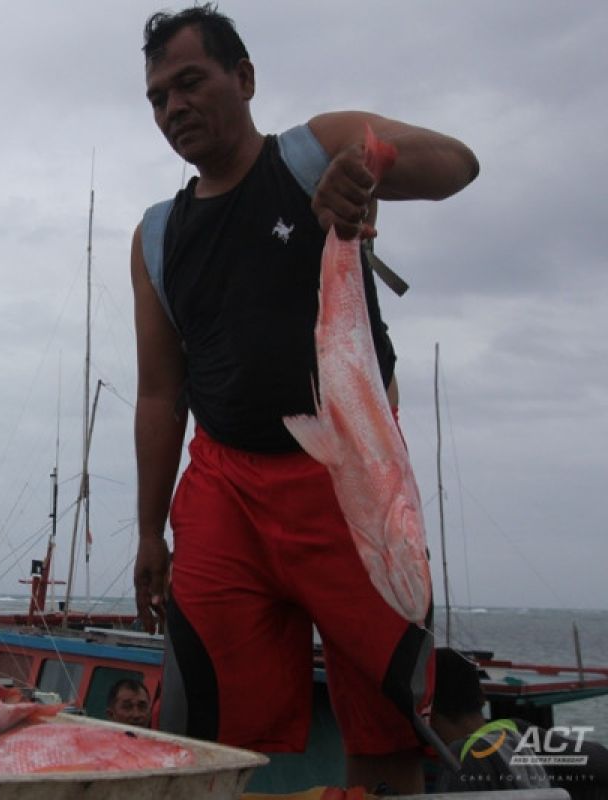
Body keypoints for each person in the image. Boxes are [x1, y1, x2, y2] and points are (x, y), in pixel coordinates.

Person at [129, 5, 479, 793]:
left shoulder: (311, 151)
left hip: (349, 484)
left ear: (245, 79)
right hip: (224, 490)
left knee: (388, 725)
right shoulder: (155, 236)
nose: (173, 107)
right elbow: (159, 392)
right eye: (157, 97)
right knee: (202, 738)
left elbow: (460, 164)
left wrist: (368, 167)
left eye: (190, 82)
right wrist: (150, 531)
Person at [431, 648, 608, 800]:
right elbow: (598, 758)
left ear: (427, 710)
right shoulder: (519, 731)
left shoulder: (458, 760)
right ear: (482, 696)